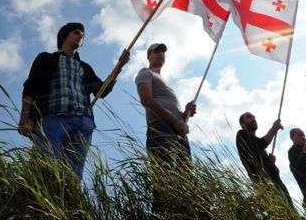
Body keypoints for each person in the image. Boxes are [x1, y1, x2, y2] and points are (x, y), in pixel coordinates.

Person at [19, 22, 129, 179]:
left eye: (82, 35)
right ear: (64, 36)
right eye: (76, 32)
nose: (80, 36)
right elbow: (31, 86)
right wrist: (25, 115)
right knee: (45, 167)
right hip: (53, 118)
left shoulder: (84, 67)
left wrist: (119, 67)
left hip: (82, 122)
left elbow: (102, 90)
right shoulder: (46, 59)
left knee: (73, 173)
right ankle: (38, 201)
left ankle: (69, 201)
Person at [136, 43, 196, 168]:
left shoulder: (165, 82)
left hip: (178, 133)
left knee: (185, 177)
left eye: (162, 52)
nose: (160, 54)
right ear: (148, 56)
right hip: (160, 128)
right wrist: (175, 121)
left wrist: (185, 113)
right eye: (156, 51)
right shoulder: (146, 72)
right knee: (165, 172)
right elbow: (146, 100)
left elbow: (178, 118)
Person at [236, 112, 292, 205]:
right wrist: (274, 129)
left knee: (291, 215)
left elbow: (259, 147)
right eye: (249, 117)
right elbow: (261, 143)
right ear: (242, 124)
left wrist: (270, 162)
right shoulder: (241, 134)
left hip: (276, 184)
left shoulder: (256, 143)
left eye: (254, 117)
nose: (253, 118)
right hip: (267, 186)